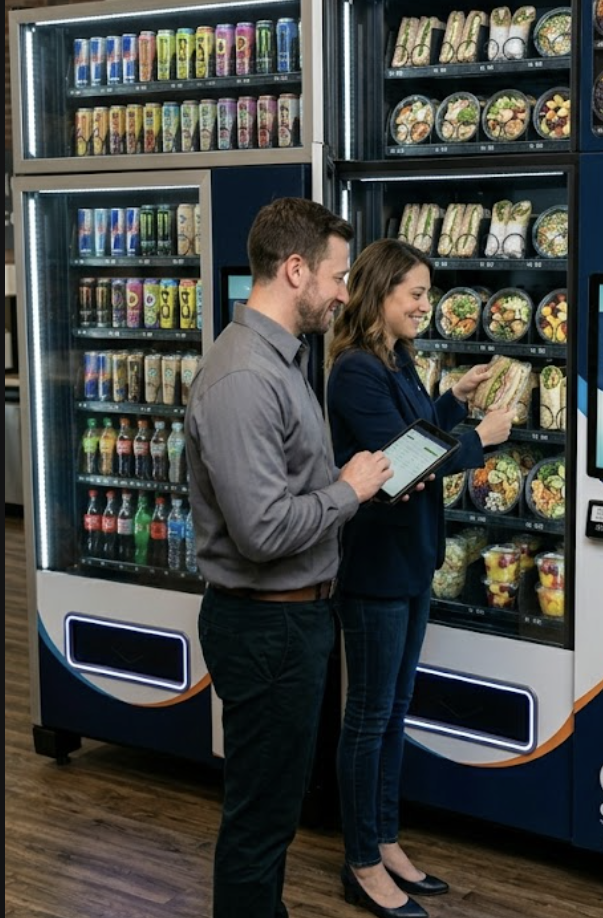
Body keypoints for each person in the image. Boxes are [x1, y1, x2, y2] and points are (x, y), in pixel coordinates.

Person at [186, 197, 394, 918]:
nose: (344, 292)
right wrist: (348, 490)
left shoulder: (285, 360)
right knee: (259, 825)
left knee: (270, 818)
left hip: (291, 622)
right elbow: (263, 532)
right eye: (337, 276)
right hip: (265, 627)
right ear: (295, 269)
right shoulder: (245, 378)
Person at [326, 238, 514, 918]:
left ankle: (386, 840)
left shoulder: (395, 359)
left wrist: (450, 402)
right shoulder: (353, 370)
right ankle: (362, 861)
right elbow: (398, 468)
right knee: (369, 719)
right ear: (380, 294)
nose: (425, 305)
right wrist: (479, 440)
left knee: (393, 711)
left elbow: (414, 438)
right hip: (374, 568)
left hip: (410, 559)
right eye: (416, 293)